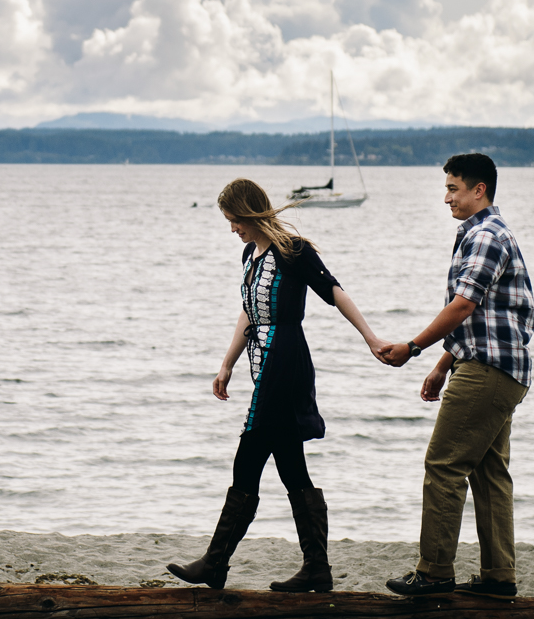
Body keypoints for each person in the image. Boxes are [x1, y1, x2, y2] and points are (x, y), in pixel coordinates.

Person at [167, 178, 391, 592]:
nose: (232, 228)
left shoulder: (293, 251)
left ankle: (215, 564)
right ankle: (316, 569)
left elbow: (334, 292)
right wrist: (227, 364)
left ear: (250, 213)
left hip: (286, 361)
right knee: (291, 466)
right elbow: (248, 312)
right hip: (263, 363)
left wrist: (371, 338)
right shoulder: (249, 255)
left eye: (235, 220)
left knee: (249, 454)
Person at [379, 152, 534, 598]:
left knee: (444, 465)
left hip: (487, 371)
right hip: (498, 369)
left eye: (453, 188)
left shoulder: (486, 236)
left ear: (478, 189)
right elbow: (482, 316)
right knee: (489, 475)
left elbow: (464, 305)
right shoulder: (485, 234)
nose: (446, 196)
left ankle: (434, 573)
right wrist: (443, 365)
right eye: (447, 187)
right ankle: (498, 578)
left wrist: (413, 347)